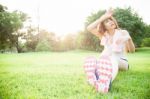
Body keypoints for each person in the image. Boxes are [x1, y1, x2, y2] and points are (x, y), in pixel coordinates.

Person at [83, 8, 135, 93]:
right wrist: (103, 18)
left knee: (112, 58)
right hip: (106, 62)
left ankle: (107, 82)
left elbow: (132, 51)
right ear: (104, 26)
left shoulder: (123, 32)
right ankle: (95, 77)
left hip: (122, 62)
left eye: (111, 20)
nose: (111, 22)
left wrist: (128, 39)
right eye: (107, 22)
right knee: (104, 59)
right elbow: (89, 28)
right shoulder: (103, 35)